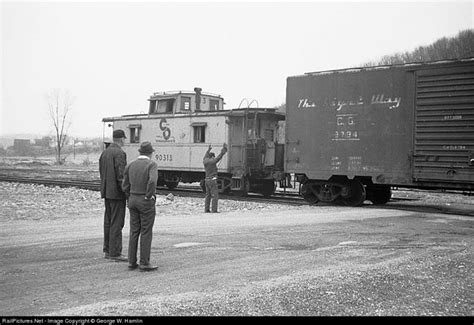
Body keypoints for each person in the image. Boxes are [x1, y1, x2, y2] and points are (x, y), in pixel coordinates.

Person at [122, 141, 159, 271]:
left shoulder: (130, 165)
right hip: (145, 201)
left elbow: (125, 185)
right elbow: (153, 181)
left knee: (134, 231)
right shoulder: (151, 164)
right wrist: (149, 195)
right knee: (146, 231)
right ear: (150, 153)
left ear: (140, 152)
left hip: (132, 200)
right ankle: (144, 262)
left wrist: (129, 196)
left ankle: (131, 262)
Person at [99, 129, 128, 262]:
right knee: (117, 223)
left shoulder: (104, 153)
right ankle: (115, 253)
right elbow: (121, 176)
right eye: (124, 139)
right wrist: (127, 193)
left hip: (107, 192)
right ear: (121, 139)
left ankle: (107, 250)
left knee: (108, 222)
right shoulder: (120, 153)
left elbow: (102, 173)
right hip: (117, 194)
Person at [203, 143, 227, 213]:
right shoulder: (213, 161)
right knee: (215, 195)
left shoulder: (205, 161)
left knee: (208, 195)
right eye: (214, 157)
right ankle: (214, 210)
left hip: (206, 180)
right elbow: (219, 156)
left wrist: (208, 150)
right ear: (213, 157)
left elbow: (206, 155)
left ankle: (206, 209)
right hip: (213, 180)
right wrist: (224, 150)